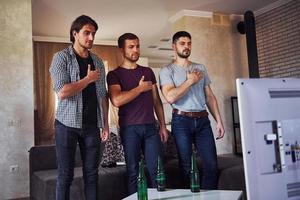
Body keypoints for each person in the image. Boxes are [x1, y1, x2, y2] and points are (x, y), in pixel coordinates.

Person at [49, 15, 109, 200]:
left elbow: (102, 94)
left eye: (93, 33)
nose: (91, 37)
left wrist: (105, 123)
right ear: (75, 33)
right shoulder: (61, 58)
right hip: (66, 125)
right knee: (65, 175)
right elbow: (62, 92)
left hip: (92, 126)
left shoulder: (97, 61)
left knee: (92, 175)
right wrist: (87, 79)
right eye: (86, 33)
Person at [159, 31, 225, 189]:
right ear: (174, 47)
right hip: (181, 121)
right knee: (186, 166)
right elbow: (170, 97)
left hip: (203, 120)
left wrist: (219, 121)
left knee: (211, 165)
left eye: (189, 43)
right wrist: (190, 82)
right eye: (182, 43)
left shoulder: (200, 67)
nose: (186, 46)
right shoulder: (167, 71)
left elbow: (209, 96)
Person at [107, 33, 168, 195]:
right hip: (130, 129)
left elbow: (157, 101)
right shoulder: (114, 74)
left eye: (138, 46)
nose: (136, 50)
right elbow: (117, 100)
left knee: (157, 170)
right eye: (131, 47)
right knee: (134, 172)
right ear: (122, 49)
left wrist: (162, 125)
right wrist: (139, 89)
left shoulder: (148, 72)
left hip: (150, 128)